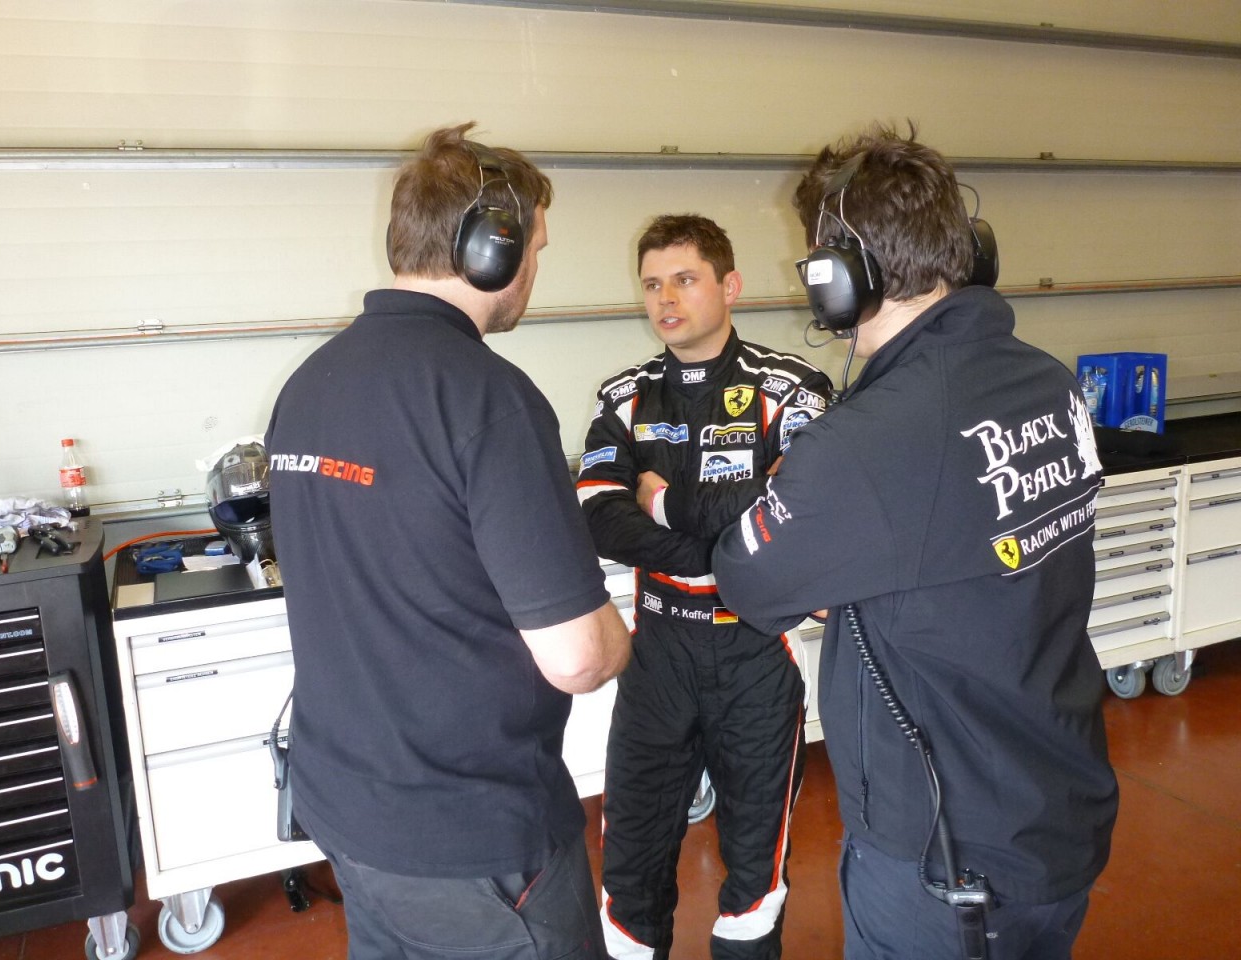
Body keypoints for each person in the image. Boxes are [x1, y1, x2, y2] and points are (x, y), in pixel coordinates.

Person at [673, 124, 1119, 959]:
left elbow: (749, 581)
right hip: (1060, 811)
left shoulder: (866, 442)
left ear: (840, 280)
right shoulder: (1048, 382)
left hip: (945, 863)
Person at [265, 121, 631, 960]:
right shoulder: (487, 397)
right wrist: (621, 638)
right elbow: (577, 658)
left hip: (347, 812)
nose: (534, 269)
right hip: (473, 841)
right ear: (491, 248)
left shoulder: (309, 384)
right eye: (535, 247)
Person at [576, 214, 834, 960]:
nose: (666, 299)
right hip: (655, 658)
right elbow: (600, 518)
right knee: (629, 873)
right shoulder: (624, 397)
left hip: (754, 654)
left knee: (755, 874)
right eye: (652, 284)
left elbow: (799, 511)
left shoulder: (792, 390)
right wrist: (727, 539)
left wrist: (660, 505)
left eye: (685, 280)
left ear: (730, 286)